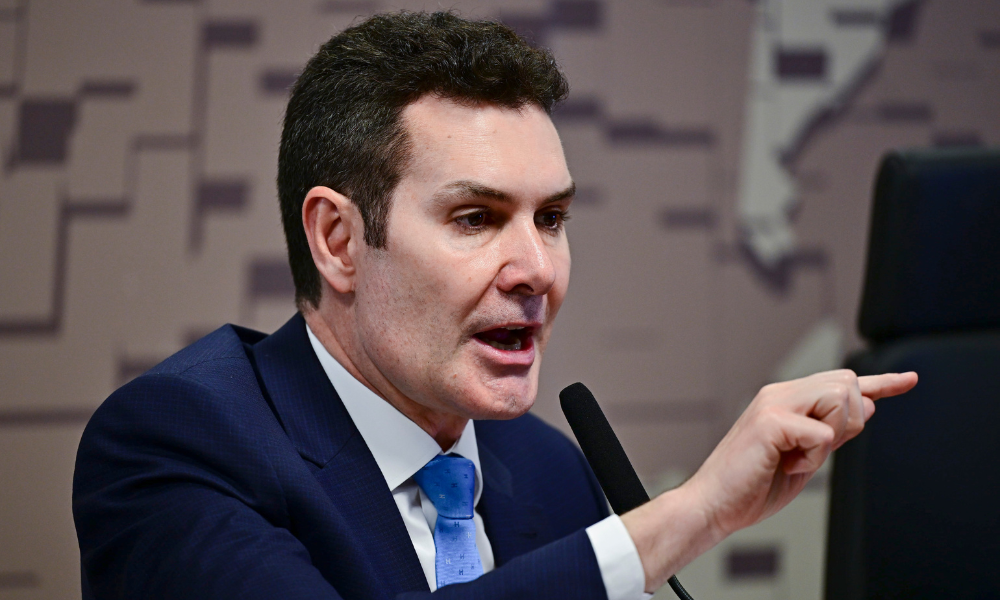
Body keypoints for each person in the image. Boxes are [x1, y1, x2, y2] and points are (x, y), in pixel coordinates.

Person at [72, 11, 917, 600]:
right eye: (475, 218)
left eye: (551, 219)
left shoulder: (549, 471)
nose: (537, 270)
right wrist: (691, 514)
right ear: (338, 240)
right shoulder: (178, 443)